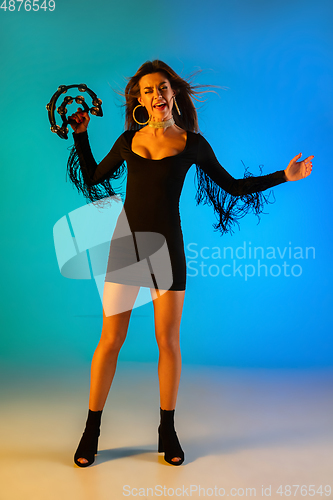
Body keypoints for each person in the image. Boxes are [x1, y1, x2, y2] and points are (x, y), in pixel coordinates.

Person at [66, 60, 313, 468]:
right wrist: (81, 135)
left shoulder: (192, 144)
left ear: (173, 93)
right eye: (148, 90)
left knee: (168, 343)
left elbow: (232, 186)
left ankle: (167, 429)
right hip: (126, 247)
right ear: (139, 99)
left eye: (162, 87)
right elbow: (93, 177)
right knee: (110, 340)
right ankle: (91, 430)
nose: (157, 95)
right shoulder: (128, 140)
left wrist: (284, 176)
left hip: (168, 250)